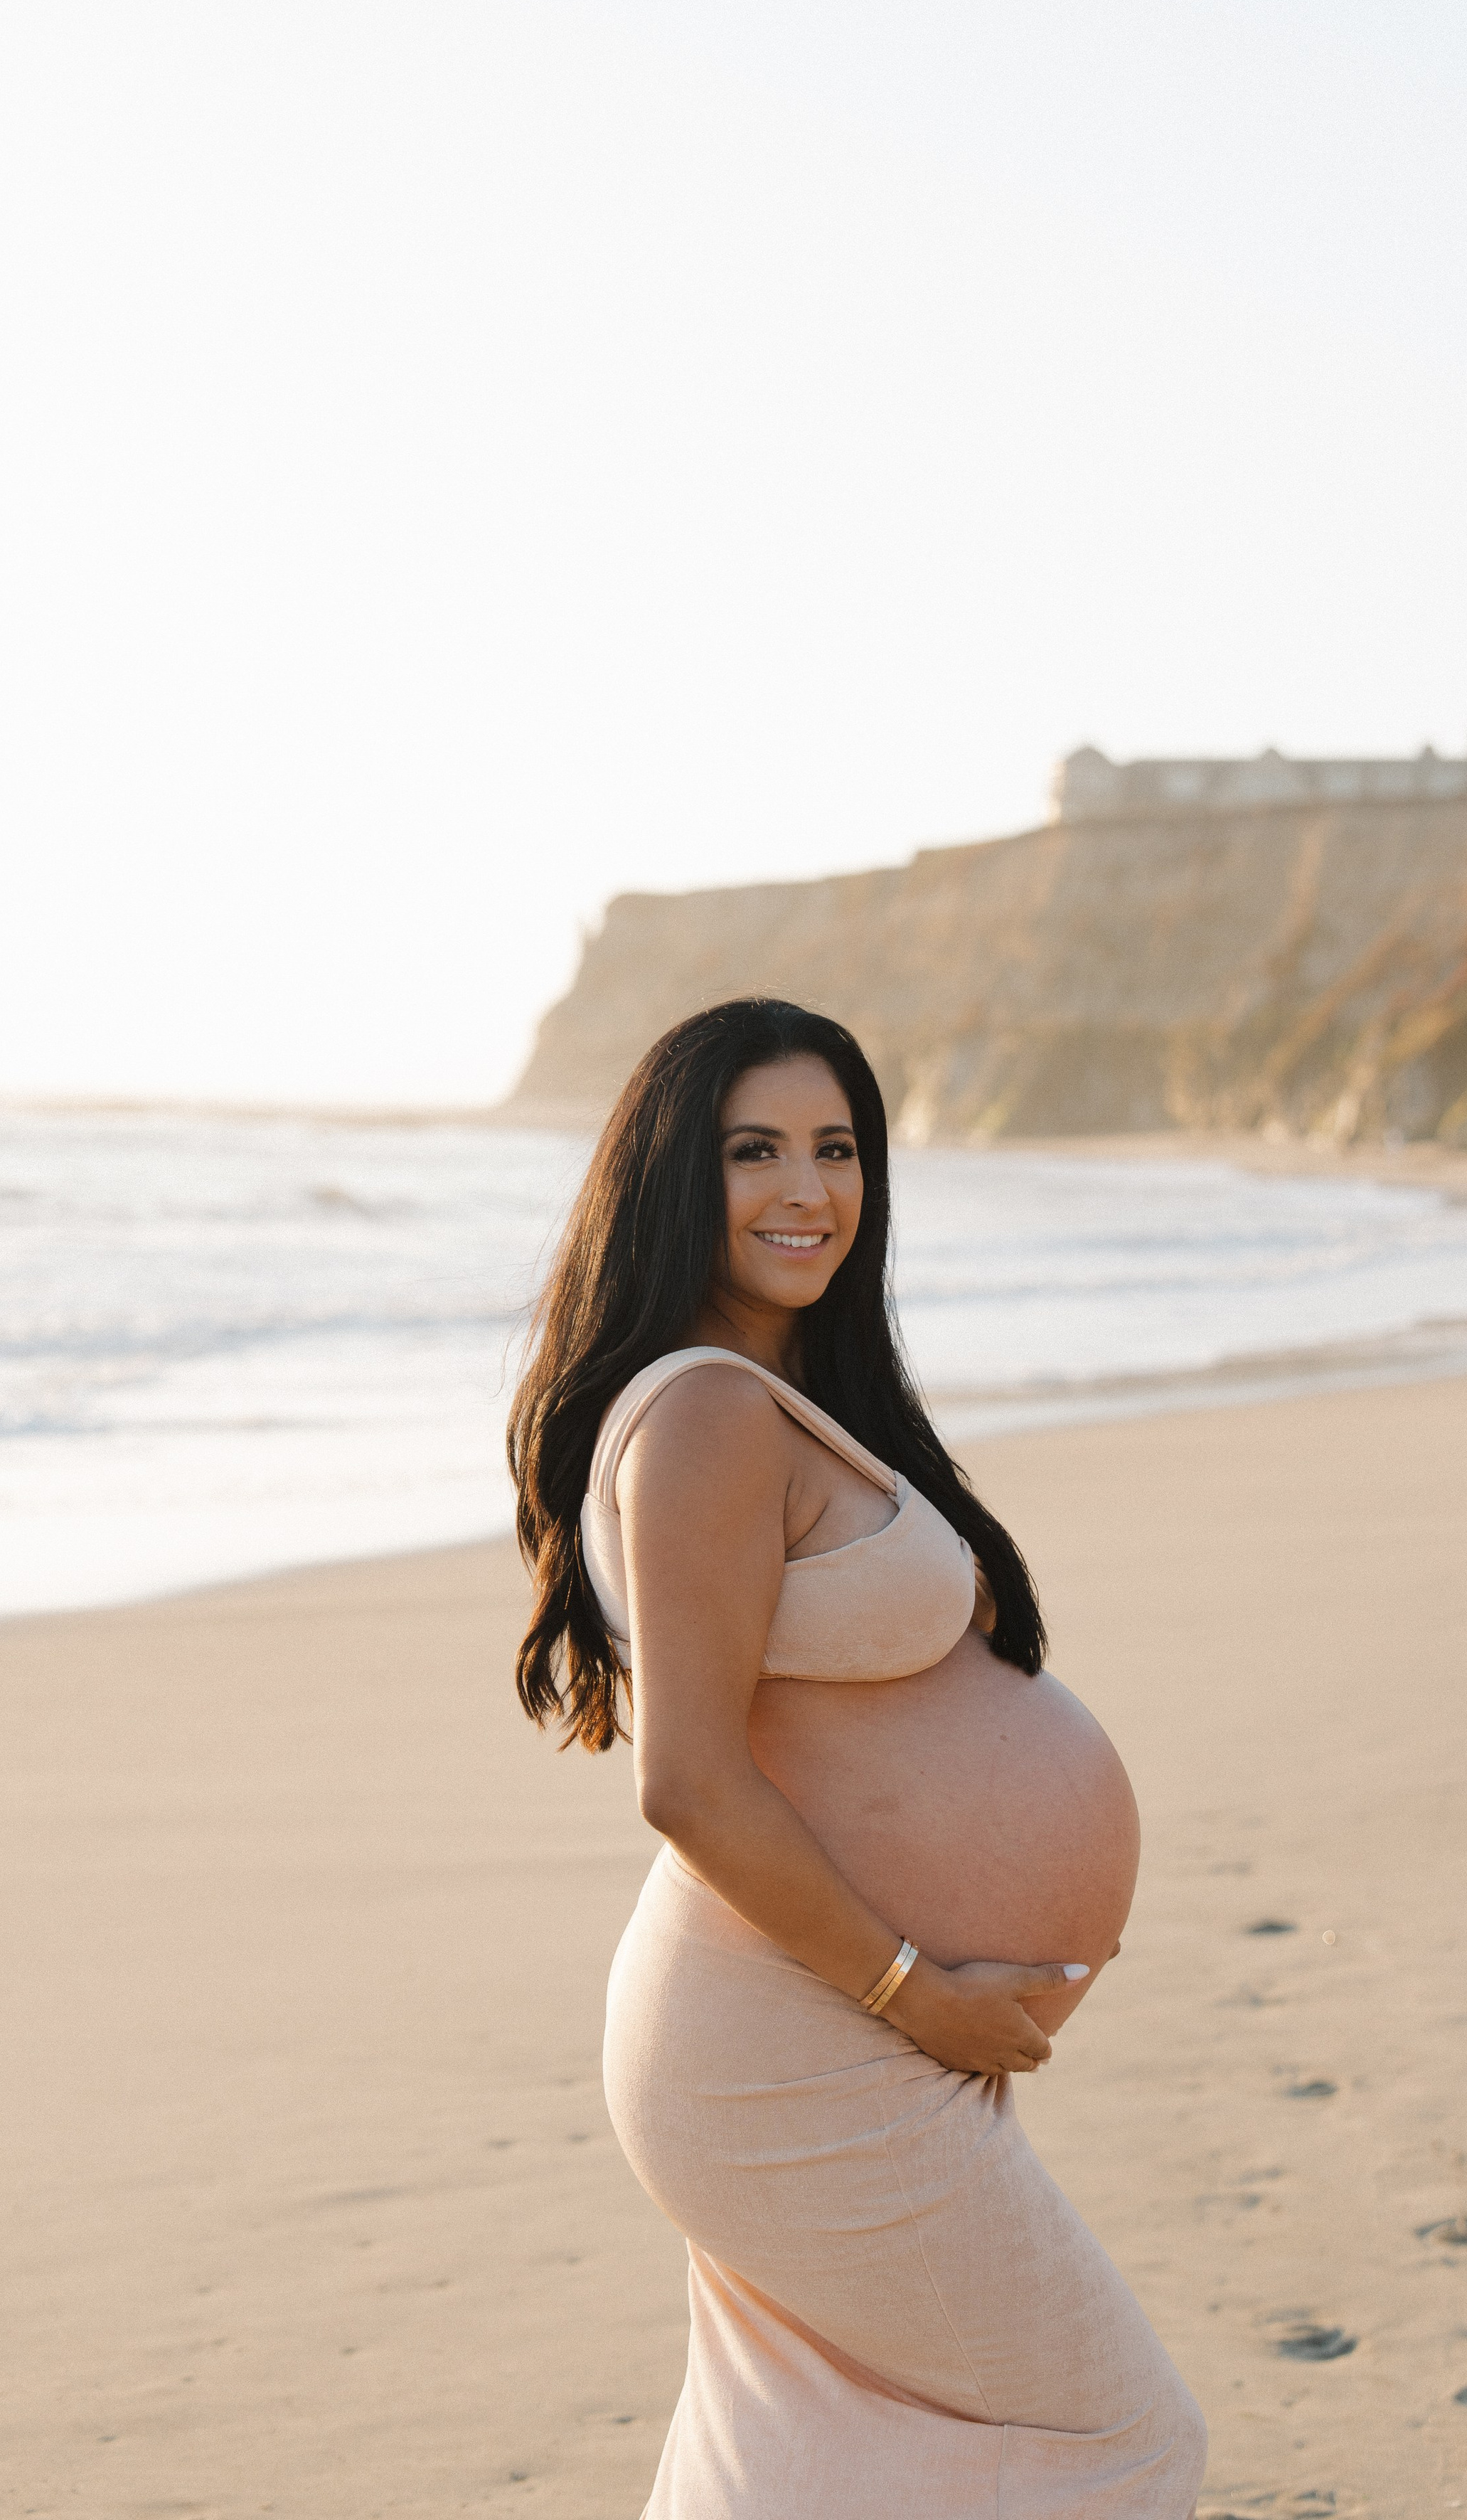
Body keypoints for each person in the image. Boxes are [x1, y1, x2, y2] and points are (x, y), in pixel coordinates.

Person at [510, 996, 1206, 2516]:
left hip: (822, 2019)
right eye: (752, 1151)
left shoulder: (773, 1403)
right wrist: (914, 1989)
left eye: (836, 1148)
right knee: (1119, 2441)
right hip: (794, 2029)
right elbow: (685, 1782)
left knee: (808, 2452)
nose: (806, 1191)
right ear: (672, 1180)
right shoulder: (703, 1418)